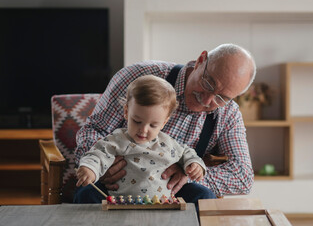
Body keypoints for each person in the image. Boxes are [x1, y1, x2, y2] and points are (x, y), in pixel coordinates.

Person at [74, 43, 256, 205]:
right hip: (116, 184)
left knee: (203, 197)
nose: (207, 100)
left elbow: (242, 176)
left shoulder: (228, 114)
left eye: (221, 97)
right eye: (208, 82)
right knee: (87, 195)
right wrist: (99, 166)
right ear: (201, 60)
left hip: (168, 193)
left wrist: (190, 175)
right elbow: (94, 130)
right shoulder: (139, 77)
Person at [76, 75, 206, 199]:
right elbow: (98, 154)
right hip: (119, 199)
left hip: (164, 201)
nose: (143, 130)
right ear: (126, 112)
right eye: (137, 121)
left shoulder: (168, 143)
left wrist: (194, 164)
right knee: (86, 193)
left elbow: (186, 152)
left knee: (203, 193)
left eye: (153, 125)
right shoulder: (117, 139)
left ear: (164, 122)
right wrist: (90, 169)